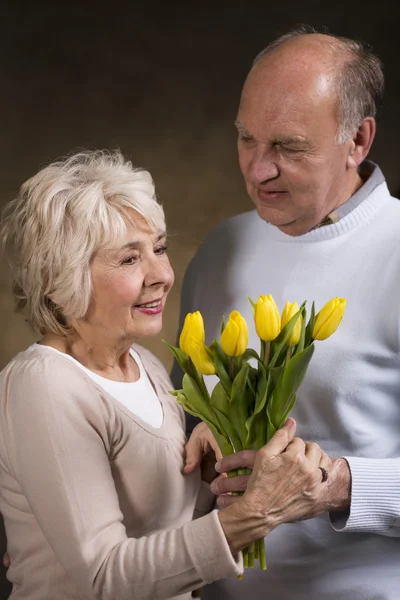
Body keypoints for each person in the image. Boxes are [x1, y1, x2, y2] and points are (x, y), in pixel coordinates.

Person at [0, 150, 331, 600]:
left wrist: (214, 476)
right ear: (62, 277)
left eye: (159, 248)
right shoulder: (43, 385)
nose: (162, 275)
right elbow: (104, 578)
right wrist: (254, 514)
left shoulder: (147, 367)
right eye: (129, 259)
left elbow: (165, 543)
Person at [172, 26, 400, 600]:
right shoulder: (219, 251)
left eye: (289, 147)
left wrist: (337, 486)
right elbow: (179, 434)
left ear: (358, 140)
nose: (257, 170)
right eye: (247, 139)